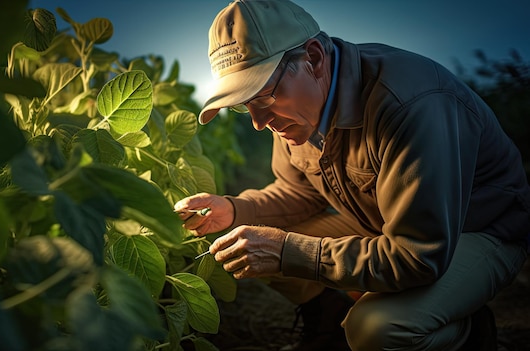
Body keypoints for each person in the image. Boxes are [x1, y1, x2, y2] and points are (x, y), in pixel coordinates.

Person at [174, 0, 530, 350]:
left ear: (313, 57)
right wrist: (235, 209)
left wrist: (287, 252)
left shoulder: (411, 103)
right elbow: (299, 191)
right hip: (383, 224)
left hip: (477, 230)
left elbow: (417, 256)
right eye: (243, 104)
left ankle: (467, 334)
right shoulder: (294, 112)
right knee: (245, 243)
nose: (258, 121)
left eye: (263, 94)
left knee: (377, 329)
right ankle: (328, 328)